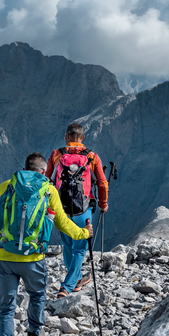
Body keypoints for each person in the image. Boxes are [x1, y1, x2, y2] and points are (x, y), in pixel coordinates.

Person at [0, 152, 91, 336]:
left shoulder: (6, 186)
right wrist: (83, 233)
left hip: (5, 258)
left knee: (7, 308)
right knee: (37, 296)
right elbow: (63, 224)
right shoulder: (48, 190)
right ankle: (33, 335)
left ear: (24, 168)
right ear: (42, 172)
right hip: (33, 259)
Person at [45, 123, 108, 299]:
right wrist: (103, 204)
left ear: (66, 136)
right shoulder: (92, 156)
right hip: (84, 209)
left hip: (61, 209)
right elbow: (102, 182)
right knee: (80, 249)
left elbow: (46, 180)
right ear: (83, 138)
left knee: (68, 246)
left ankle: (77, 279)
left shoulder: (56, 155)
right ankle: (67, 287)